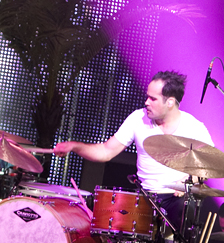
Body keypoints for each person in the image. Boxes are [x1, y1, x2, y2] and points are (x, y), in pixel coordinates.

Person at [53, 70, 214, 229]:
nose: (146, 102)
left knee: (186, 210)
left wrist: (188, 181)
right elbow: (106, 151)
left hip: (176, 198)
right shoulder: (138, 118)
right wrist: (74, 146)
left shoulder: (194, 127)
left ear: (170, 102)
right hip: (145, 197)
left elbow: (210, 165)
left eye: (153, 98)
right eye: (147, 96)